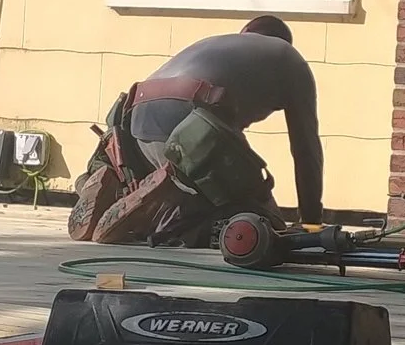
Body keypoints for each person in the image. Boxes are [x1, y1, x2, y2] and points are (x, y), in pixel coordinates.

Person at [68, 17, 324, 243]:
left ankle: (118, 186)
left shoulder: (214, 44)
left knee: (186, 182)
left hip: (134, 126)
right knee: (259, 226)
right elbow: (306, 150)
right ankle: (161, 206)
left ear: (245, 32)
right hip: (191, 125)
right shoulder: (290, 59)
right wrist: (311, 223)